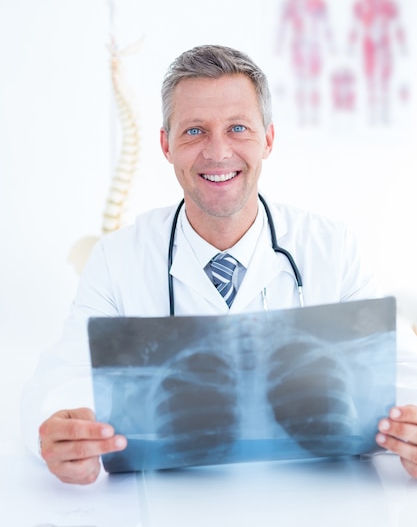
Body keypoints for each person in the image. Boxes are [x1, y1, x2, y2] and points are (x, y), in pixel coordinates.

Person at [22, 44, 417, 485]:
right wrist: (63, 431)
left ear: (268, 139)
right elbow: (64, 376)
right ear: (165, 144)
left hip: (316, 506)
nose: (217, 152)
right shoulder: (119, 259)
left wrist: (412, 428)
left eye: (238, 128)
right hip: (171, 522)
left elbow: (401, 369)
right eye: (194, 131)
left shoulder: (333, 248)